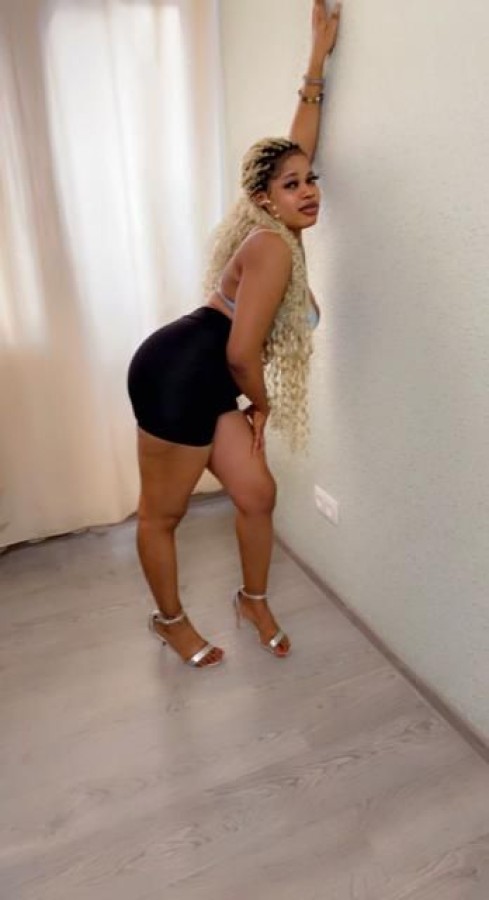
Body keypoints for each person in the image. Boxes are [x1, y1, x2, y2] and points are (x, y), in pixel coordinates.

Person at [127, 0, 341, 669]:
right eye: (292, 185)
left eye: (310, 180)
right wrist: (263, 406)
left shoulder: (273, 227)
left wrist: (315, 61)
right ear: (265, 199)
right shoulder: (271, 246)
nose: (308, 190)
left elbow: (291, 149)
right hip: (179, 373)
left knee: (255, 494)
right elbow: (242, 353)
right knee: (162, 514)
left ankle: (251, 600)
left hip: (208, 374)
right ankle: (169, 621)